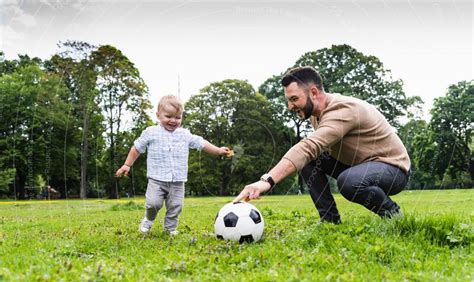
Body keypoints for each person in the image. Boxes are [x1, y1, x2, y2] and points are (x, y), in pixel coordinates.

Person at [233, 66, 410, 223]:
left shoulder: (342, 110)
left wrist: (267, 181)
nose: (289, 106)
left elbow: (309, 146)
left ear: (314, 92)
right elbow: (310, 152)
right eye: (288, 100)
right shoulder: (315, 113)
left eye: (294, 99)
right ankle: (330, 221)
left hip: (393, 170)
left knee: (348, 181)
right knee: (309, 161)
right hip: (361, 165)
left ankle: (395, 217)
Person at [116, 95, 231, 236]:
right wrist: (127, 165)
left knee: (175, 206)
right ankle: (149, 219)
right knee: (153, 203)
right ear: (158, 115)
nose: (173, 121)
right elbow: (137, 148)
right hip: (156, 179)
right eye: (168, 116)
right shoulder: (150, 132)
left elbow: (201, 143)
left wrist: (218, 150)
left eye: (177, 117)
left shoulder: (184, 134)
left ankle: (170, 228)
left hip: (178, 180)